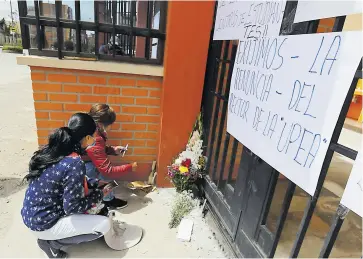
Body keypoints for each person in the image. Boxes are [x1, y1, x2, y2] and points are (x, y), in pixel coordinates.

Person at [21, 113, 112, 258]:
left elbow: (65, 180)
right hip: (44, 223)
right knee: (104, 225)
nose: (95, 139)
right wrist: (100, 194)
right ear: (87, 138)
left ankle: (50, 238)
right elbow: (72, 207)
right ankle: (52, 243)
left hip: (32, 214)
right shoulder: (75, 163)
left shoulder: (55, 149)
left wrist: (94, 183)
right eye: (93, 136)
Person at [76, 104, 137, 209]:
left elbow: (94, 151)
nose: (111, 126)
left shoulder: (86, 125)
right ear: (100, 124)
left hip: (77, 163)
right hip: (81, 167)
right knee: (103, 172)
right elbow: (108, 170)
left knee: (99, 166)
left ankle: (99, 195)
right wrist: (130, 167)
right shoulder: (96, 137)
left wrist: (113, 150)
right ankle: (108, 201)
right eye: (110, 124)